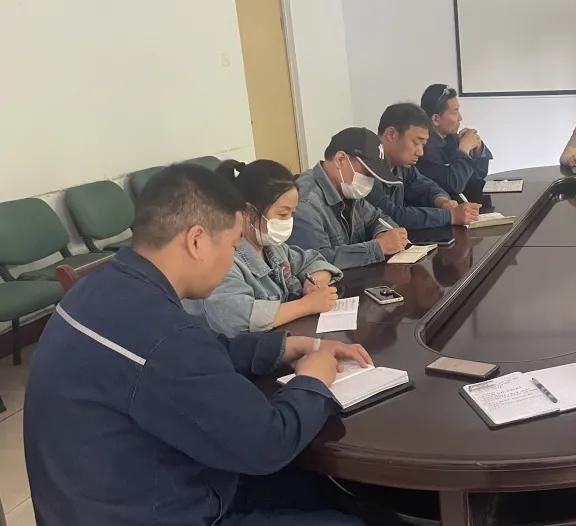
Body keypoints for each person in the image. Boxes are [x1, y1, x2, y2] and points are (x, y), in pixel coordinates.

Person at [24, 163, 373, 525]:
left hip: (104, 496)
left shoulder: (101, 288)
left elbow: (198, 351)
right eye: (234, 246)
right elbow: (267, 444)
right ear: (197, 241)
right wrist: (312, 381)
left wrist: (282, 347)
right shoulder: (164, 335)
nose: (232, 260)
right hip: (156, 511)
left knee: (321, 489)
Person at [183, 159, 343, 337]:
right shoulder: (223, 258)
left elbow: (313, 261)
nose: (288, 221)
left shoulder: (273, 247)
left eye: (292, 214)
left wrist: (314, 284)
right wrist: (306, 305)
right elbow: (236, 318)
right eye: (283, 214)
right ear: (249, 212)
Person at [291, 128, 411, 270]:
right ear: (340, 160)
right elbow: (314, 262)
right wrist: (378, 248)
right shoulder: (305, 203)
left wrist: (383, 234)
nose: (370, 182)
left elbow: (378, 218)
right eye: (367, 173)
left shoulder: (347, 188)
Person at [366, 104, 481, 228]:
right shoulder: (365, 166)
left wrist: (442, 201)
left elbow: (425, 187)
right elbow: (391, 215)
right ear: (391, 134)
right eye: (416, 142)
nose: (420, 152)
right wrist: (451, 216)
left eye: (423, 144)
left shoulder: (401, 164)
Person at [417, 83, 494, 195]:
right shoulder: (423, 149)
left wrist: (477, 149)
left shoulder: (451, 138)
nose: (460, 118)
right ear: (436, 119)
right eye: (455, 111)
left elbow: (478, 176)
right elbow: (453, 186)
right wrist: (464, 150)